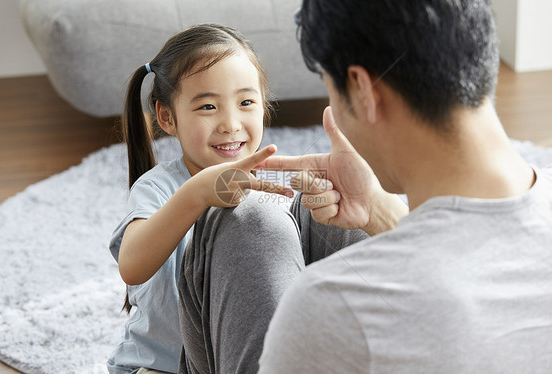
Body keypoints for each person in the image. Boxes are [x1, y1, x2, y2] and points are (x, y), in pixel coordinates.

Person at [254, 0, 552, 373]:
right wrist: (380, 210)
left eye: (330, 88)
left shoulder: (334, 307)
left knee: (245, 222)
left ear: (363, 89)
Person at [106, 24, 298, 374]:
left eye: (246, 102)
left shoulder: (270, 187)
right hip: (161, 367)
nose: (230, 123)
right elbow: (131, 266)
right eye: (208, 106)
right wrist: (195, 195)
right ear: (167, 118)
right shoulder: (160, 187)